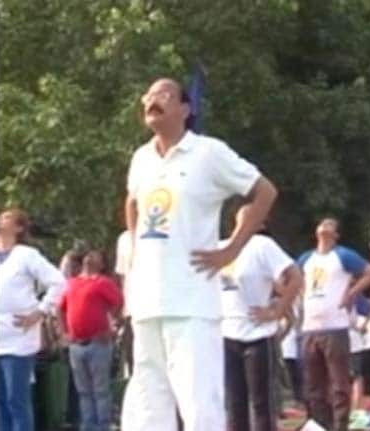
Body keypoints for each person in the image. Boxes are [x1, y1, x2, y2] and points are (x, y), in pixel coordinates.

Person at [120, 77, 277, 431]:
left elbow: (264, 191)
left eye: (164, 95)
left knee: (198, 401)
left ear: (185, 109)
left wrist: (231, 249)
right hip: (146, 301)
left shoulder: (209, 152)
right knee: (146, 402)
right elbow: (132, 202)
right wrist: (135, 248)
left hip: (190, 300)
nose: (152, 100)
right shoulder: (141, 158)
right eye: (149, 95)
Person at [219, 207, 302, 431]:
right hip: (227, 334)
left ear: (260, 223)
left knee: (261, 403)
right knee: (234, 404)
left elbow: (295, 277)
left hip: (257, 334)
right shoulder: (221, 246)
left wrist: (276, 311)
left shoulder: (262, 246)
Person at [297, 218, 370, 431]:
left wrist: (351, 293)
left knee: (339, 383)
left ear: (336, 235)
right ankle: (319, 424)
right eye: (322, 224)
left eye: (330, 225)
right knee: (314, 385)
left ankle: (340, 425)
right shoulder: (307, 258)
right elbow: (293, 278)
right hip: (310, 327)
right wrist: (301, 293)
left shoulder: (342, 255)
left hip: (335, 326)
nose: (324, 227)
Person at [0, 208, 66, 431]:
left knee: (16, 400)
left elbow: (59, 282)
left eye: (7, 218)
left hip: (17, 338)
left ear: (19, 228)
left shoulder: (26, 255)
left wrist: (40, 311)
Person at [59, 249, 124, 431]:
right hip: (76, 343)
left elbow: (118, 302)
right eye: (88, 255)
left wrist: (112, 325)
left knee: (100, 389)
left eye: (95, 256)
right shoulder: (72, 283)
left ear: (102, 264)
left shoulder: (103, 282)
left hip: (98, 342)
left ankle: (102, 426)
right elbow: (61, 308)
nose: (89, 258)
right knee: (83, 390)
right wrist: (64, 332)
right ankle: (87, 425)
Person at [114, 229, 134, 376]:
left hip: (159, 306)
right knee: (132, 356)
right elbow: (122, 277)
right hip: (131, 310)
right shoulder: (124, 239)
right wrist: (122, 307)